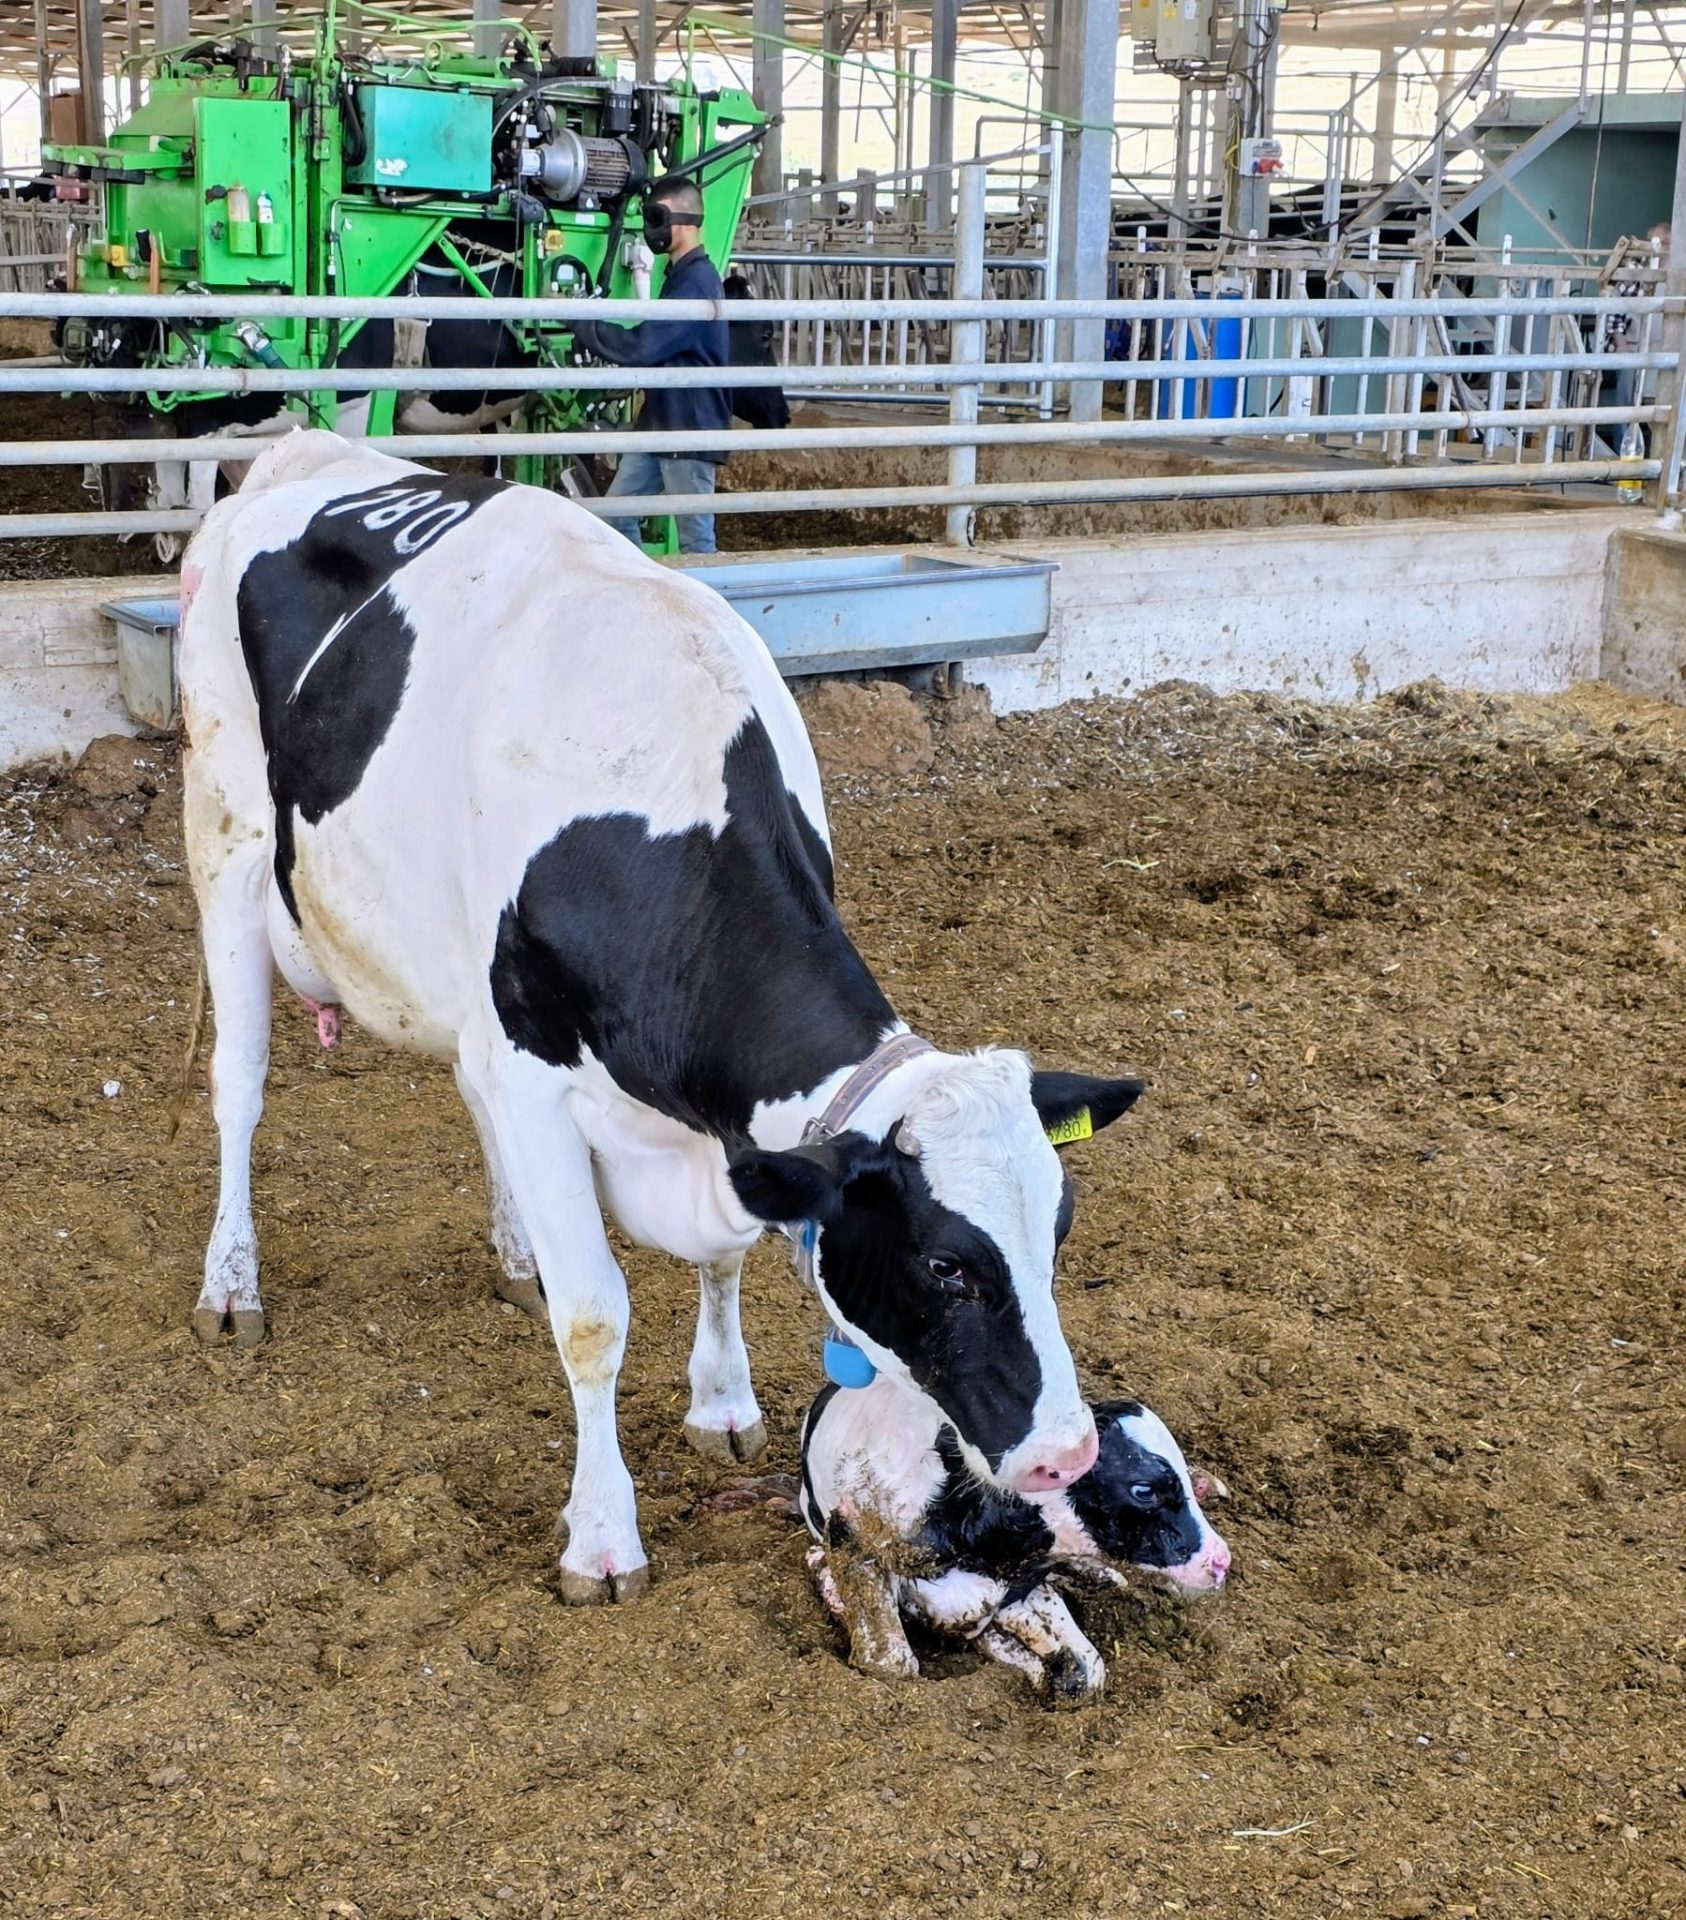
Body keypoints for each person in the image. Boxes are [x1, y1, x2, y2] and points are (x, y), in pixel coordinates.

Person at [571, 177, 730, 555]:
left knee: (696, 540)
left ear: (688, 221)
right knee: (615, 514)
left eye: (659, 217)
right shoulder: (679, 276)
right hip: (661, 423)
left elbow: (645, 346)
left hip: (688, 429)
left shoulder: (696, 283)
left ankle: (705, 610)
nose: (652, 229)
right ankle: (643, 589)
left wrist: (584, 323)